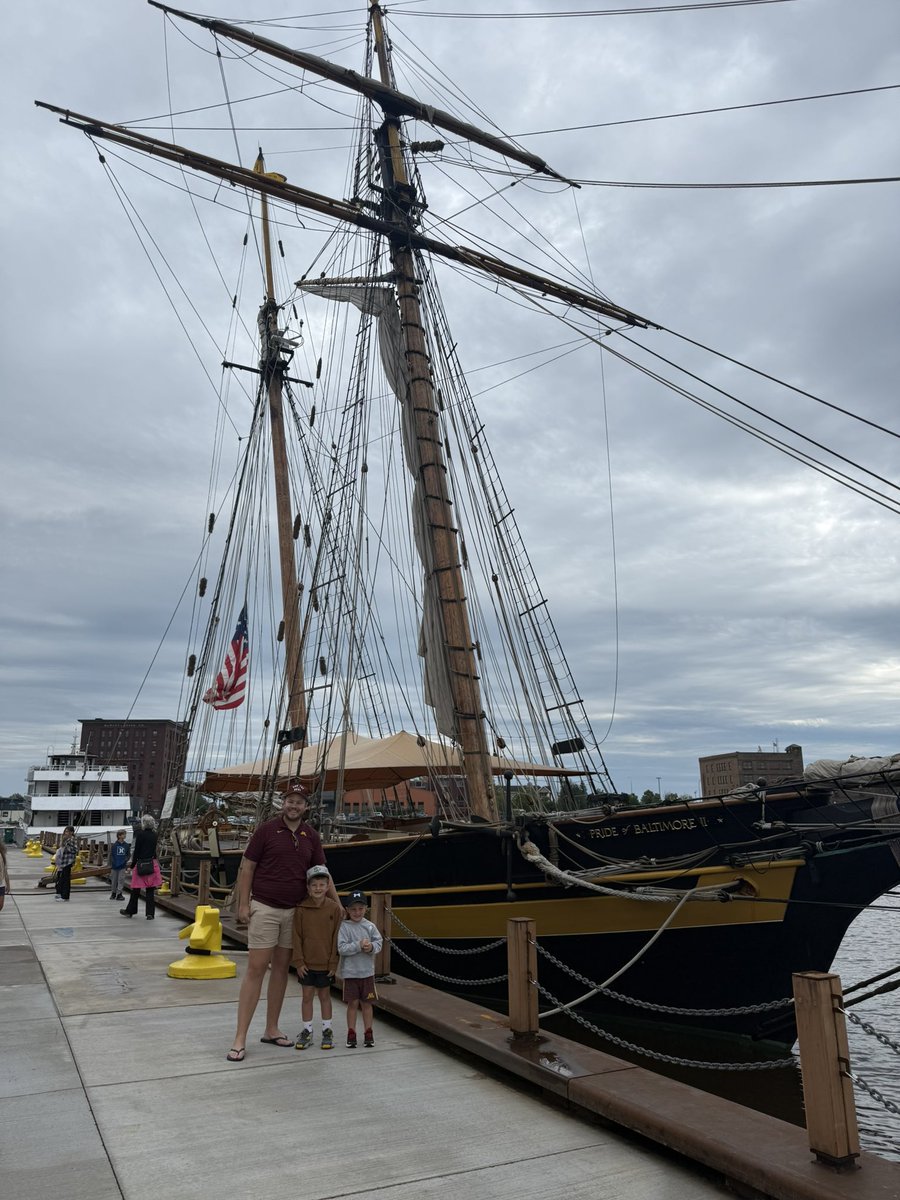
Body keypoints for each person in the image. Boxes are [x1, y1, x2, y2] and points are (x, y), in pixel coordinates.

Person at [226, 782, 340, 1063]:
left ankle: (271, 1028)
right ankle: (240, 1037)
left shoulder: (310, 836)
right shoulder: (266, 831)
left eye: (299, 802)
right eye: (290, 800)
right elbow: (248, 866)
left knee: (280, 970)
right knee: (256, 968)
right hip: (264, 907)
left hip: (295, 911)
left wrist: (338, 905)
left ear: (306, 807)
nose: (294, 806)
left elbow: (323, 873)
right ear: (283, 803)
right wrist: (243, 903)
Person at [292, 864, 342, 1050]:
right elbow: (296, 936)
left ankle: (327, 1030)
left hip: (326, 963)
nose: (318, 888)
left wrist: (333, 962)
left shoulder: (334, 909)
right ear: (308, 887)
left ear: (328, 886)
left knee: (324, 996)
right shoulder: (301, 909)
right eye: (314, 885)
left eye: (322, 885)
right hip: (306, 963)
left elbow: (337, 937)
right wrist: (298, 961)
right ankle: (307, 1030)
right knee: (306, 996)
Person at [338, 890, 383, 1048]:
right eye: (353, 909)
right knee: (352, 1004)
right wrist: (358, 945)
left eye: (360, 908)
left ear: (366, 909)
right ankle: (351, 1032)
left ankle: (368, 1032)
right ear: (347, 910)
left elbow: (379, 943)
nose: (357, 912)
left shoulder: (370, 927)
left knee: (367, 1003)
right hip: (351, 974)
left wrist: (371, 947)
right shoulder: (344, 927)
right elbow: (341, 948)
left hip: (367, 974)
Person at [120, 814, 161, 919]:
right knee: (150, 890)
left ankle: (131, 910)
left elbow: (137, 851)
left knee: (136, 889)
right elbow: (154, 851)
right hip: (152, 863)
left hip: (141, 864)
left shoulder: (140, 834)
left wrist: (132, 865)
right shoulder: (155, 835)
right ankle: (150, 913)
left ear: (144, 823)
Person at [55, 826, 77, 902]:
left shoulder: (72, 840)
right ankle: (61, 894)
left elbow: (75, 850)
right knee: (63, 878)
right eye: (65, 831)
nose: (66, 833)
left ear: (71, 832)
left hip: (68, 861)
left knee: (66, 880)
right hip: (64, 862)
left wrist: (67, 847)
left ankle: (65, 896)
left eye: (67, 831)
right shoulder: (67, 839)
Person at [108, 829, 130, 901]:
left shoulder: (126, 845)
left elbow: (128, 855)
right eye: (123, 834)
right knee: (114, 880)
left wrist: (125, 860)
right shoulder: (114, 845)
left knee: (121, 879)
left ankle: (119, 894)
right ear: (119, 836)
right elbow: (112, 855)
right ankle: (113, 893)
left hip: (122, 866)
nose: (125, 835)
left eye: (125, 834)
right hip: (115, 866)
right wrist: (113, 863)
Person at [0, 841, 10, 911]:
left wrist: (8, 883)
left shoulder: (1, 854)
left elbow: (5, 870)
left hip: (1, 884)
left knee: (0, 905)